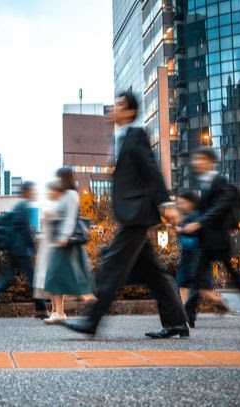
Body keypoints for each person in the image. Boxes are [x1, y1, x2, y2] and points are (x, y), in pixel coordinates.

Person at [63, 91, 189, 339]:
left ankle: (91, 321)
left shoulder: (136, 135)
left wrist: (165, 202)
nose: (114, 108)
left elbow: (151, 170)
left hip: (138, 214)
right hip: (132, 213)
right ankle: (177, 322)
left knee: (113, 268)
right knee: (153, 273)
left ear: (130, 112)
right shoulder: (119, 138)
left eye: (119, 105)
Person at [182, 147, 240, 328]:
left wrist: (199, 222)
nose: (197, 162)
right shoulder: (205, 183)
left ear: (210, 162)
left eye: (201, 159)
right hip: (208, 240)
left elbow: (220, 206)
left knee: (234, 278)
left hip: (218, 240)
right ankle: (189, 316)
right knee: (197, 278)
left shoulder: (219, 181)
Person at [42, 168, 95, 325]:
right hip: (60, 241)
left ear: (63, 178)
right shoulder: (66, 195)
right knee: (56, 277)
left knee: (55, 276)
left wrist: (64, 236)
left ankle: (63, 310)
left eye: (58, 177)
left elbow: (71, 218)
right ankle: (59, 311)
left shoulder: (71, 195)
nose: (56, 180)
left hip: (64, 242)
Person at [0, 181, 49, 318]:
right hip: (21, 251)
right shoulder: (23, 207)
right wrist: (32, 249)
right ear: (27, 191)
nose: (34, 193)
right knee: (32, 280)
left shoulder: (19, 206)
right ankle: (41, 310)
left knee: (6, 279)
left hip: (15, 250)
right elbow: (26, 231)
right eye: (33, 191)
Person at [174, 190, 227, 327]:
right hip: (187, 254)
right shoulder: (186, 216)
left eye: (183, 203)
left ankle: (217, 301)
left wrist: (181, 230)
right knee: (183, 285)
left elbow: (195, 232)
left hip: (196, 254)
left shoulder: (197, 216)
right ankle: (184, 314)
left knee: (197, 286)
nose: (181, 206)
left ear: (191, 203)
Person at [32, 182, 63, 316]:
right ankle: (55, 310)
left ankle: (58, 310)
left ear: (56, 191)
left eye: (50, 191)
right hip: (47, 248)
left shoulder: (60, 206)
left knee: (53, 280)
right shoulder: (52, 206)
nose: (48, 194)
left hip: (54, 248)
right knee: (48, 281)